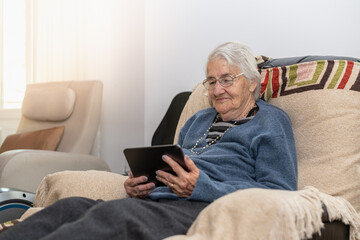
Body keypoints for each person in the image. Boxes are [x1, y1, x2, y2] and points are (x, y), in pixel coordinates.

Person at [0, 42, 297, 240]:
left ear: (253, 82)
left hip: (202, 207)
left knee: (114, 216)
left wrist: (201, 187)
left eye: (227, 79)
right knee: (70, 207)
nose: (217, 89)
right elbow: (172, 164)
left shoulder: (270, 122)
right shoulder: (197, 120)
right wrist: (142, 184)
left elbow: (280, 192)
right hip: (161, 200)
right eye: (211, 81)